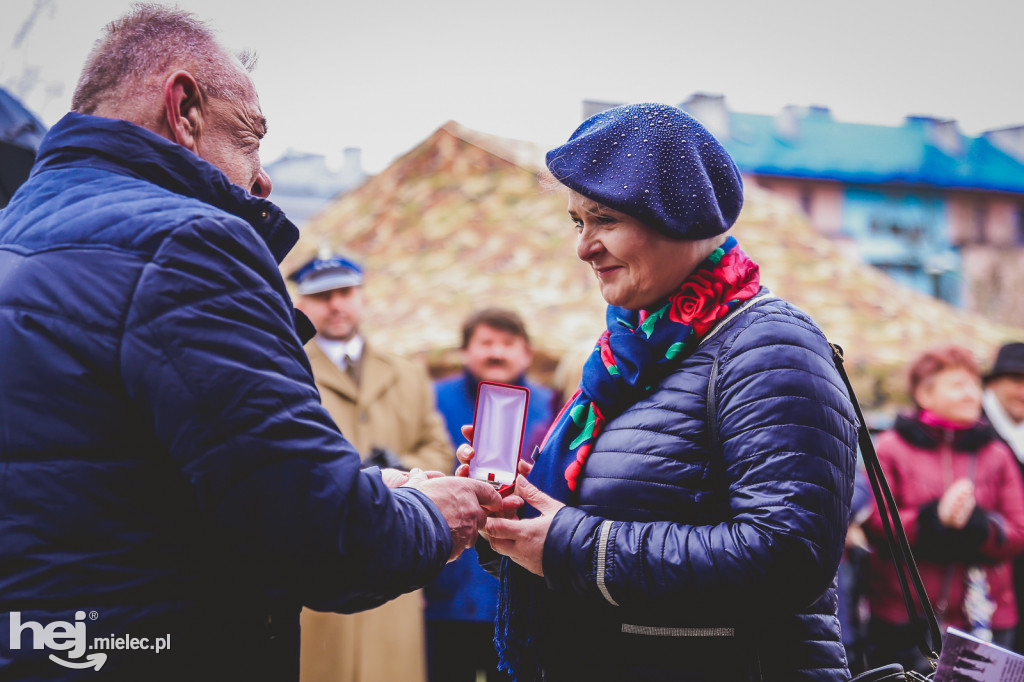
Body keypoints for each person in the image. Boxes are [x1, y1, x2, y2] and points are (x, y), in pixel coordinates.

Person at [0, 6, 499, 680]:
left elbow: (110, 477)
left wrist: (368, 482)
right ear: (184, 108)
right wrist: (434, 513)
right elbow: (321, 537)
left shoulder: (14, 233)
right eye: (250, 137)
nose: (261, 178)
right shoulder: (190, 244)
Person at [457, 103, 859, 681]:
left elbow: (787, 558)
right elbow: (608, 526)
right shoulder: (629, 352)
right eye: (577, 221)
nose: (583, 246)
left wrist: (571, 545)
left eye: (605, 220)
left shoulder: (770, 347)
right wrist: (521, 512)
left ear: (680, 217)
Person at [291, 254, 453, 682]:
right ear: (301, 303)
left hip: (394, 549)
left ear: (361, 298)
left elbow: (438, 449)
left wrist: (399, 474)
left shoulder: (407, 374)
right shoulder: (287, 369)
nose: (336, 305)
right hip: (320, 555)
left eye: (344, 293)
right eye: (322, 296)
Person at [864, 344, 1024, 673]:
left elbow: (1018, 530)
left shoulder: (997, 453)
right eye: (958, 385)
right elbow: (874, 520)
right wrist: (932, 518)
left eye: (974, 385)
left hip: (983, 621)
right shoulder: (892, 448)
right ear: (925, 394)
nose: (971, 394)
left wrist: (979, 525)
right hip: (905, 620)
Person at [427, 308, 556, 682]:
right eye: (485, 343)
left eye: (507, 344)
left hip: (520, 591)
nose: (496, 352)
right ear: (465, 351)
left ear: (527, 354)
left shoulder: (553, 405)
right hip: (445, 592)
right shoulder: (434, 399)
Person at [979, 342, 1024, 651]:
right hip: (987, 584)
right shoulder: (975, 429)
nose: (1023, 391)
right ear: (992, 383)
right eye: (1016, 381)